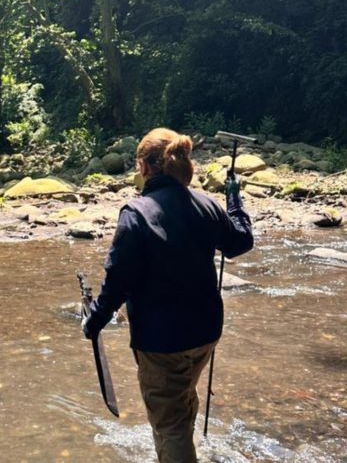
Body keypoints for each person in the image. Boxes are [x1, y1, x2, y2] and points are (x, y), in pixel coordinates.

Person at [81, 128, 253, 463]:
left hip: (162, 342)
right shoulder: (206, 204)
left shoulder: (137, 212)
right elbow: (240, 242)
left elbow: (119, 278)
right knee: (182, 396)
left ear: (143, 167)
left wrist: (95, 320)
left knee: (169, 426)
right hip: (206, 333)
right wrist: (234, 197)